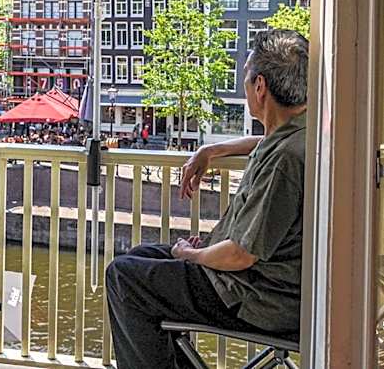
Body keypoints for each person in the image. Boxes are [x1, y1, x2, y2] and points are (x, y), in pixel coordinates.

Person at [105, 29, 308, 369]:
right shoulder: (301, 134)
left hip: (256, 295)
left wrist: (192, 255)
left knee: (125, 278)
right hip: (273, 286)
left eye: (245, 79)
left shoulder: (284, 160)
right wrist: (212, 150)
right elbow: (263, 143)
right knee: (141, 257)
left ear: (260, 87)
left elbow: (240, 254)